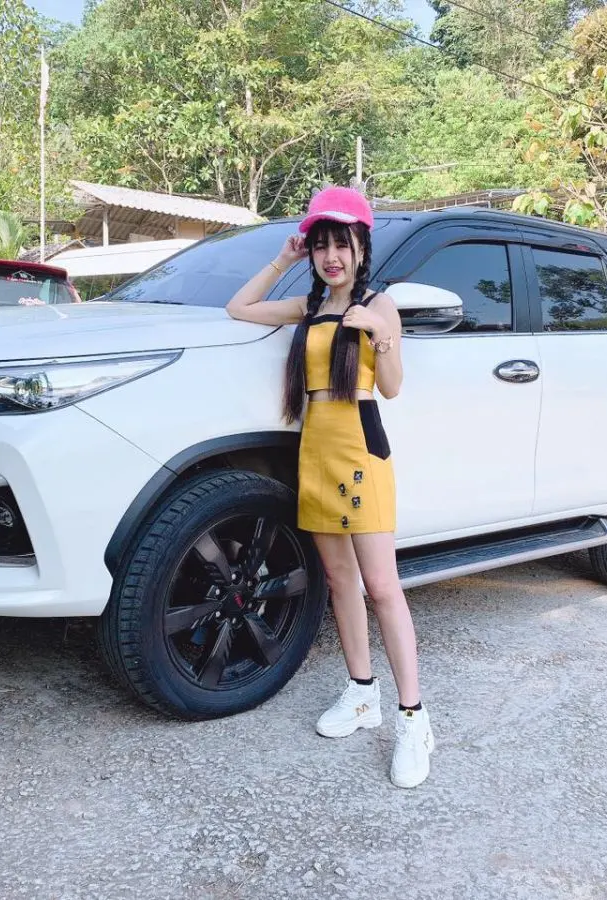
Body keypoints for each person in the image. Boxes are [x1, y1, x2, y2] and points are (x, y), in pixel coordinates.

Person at [226, 186, 434, 788]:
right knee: (340, 582)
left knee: (382, 587)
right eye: (321, 246)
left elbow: (392, 387)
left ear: (361, 247)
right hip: (314, 453)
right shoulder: (309, 305)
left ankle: (414, 718)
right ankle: (362, 693)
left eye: (341, 244)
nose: (331, 256)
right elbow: (239, 308)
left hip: (361, 451)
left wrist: (378, 333)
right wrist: (283, 259)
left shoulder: (378, 303)